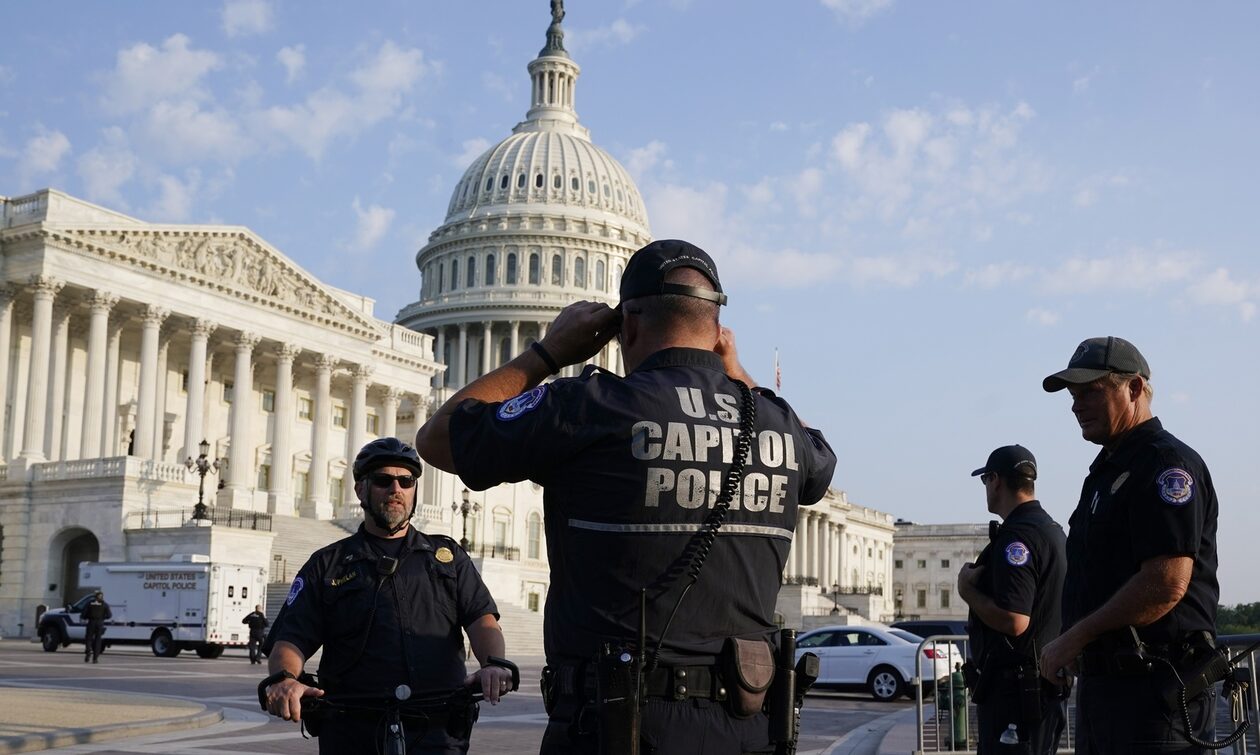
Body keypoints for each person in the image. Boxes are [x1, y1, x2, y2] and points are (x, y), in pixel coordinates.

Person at [415, 239, 837, 755]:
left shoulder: (589, 406)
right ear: (715, 330)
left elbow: (437, 438)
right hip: (748, 727)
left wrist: (550, 352)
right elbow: (820, 461)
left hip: (615, 728)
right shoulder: (775, 426)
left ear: (627, 326)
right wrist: (739, 374)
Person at [259, 437, 513, 754]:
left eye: (406, 481)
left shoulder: (447, 557)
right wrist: (284, 679)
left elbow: (482, 620)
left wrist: (494, 664)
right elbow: (290, 638)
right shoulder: (327, 564)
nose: (396, 489)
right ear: (360, 490)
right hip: (352, 727)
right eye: (383, 480)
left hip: (437, 728)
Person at [1037, 337, 1220, 753]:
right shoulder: (1111, 470)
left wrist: (1074, 638)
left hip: (1154, 696)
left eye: (1090, 391)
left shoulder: (1164, 465)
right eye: (1072, 394)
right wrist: (1075, 643)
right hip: (1111, 691)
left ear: (1134, 388)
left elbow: (1166, 582)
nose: (1075, 405)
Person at [957, 445, 1066, 755]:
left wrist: (968, 592)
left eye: (985, 481)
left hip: (1015, 696)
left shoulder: (1016, 539)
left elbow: (1014, 620)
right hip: (1039, 689)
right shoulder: (1053, 531)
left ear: (996, 481)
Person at [82, 590, 111, 664]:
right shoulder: (104, 604)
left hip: (91, 622)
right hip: (100, 623)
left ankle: (88, 652)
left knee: (88, 639)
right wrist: (103, 618)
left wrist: (87, 617)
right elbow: (109, 615)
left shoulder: (89, 603)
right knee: (98, 640)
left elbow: (83, 614)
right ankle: (95, 658)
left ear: (95, 596)